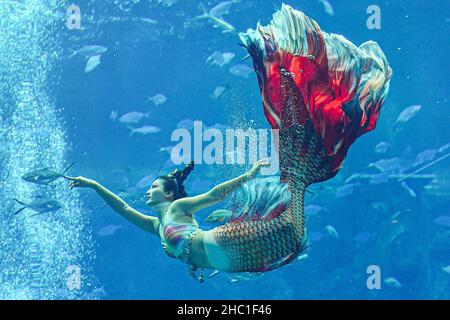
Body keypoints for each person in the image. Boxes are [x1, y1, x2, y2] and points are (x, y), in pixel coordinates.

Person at [66, 4, 392, 281]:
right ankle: (294, 101)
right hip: (234, 259)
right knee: (290, 219)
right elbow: (123, 208)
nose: (147, 192)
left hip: (229, 247)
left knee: (290, 220)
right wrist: (94, 185)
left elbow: (212, 195)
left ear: (168, 194)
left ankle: (290, 77)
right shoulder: (157, 224)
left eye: (153, 187)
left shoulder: (178, 209)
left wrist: (249, 177)